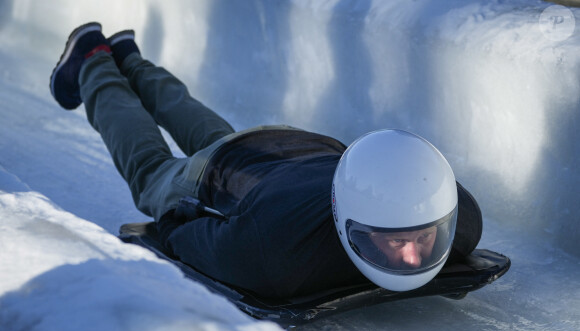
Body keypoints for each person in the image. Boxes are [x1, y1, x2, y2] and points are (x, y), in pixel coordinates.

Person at [49, 22, 482, 299]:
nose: (412, 259)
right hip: (235, 174)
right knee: (150, 170)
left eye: (424, 238)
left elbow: (425, 180)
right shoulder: (273, 256)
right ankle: (93, 61)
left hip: (293, 148)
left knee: (217, 137)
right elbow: (188, 237)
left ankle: (129, 59)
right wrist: (167, 221)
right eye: (395, 242)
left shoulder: (461, 221)